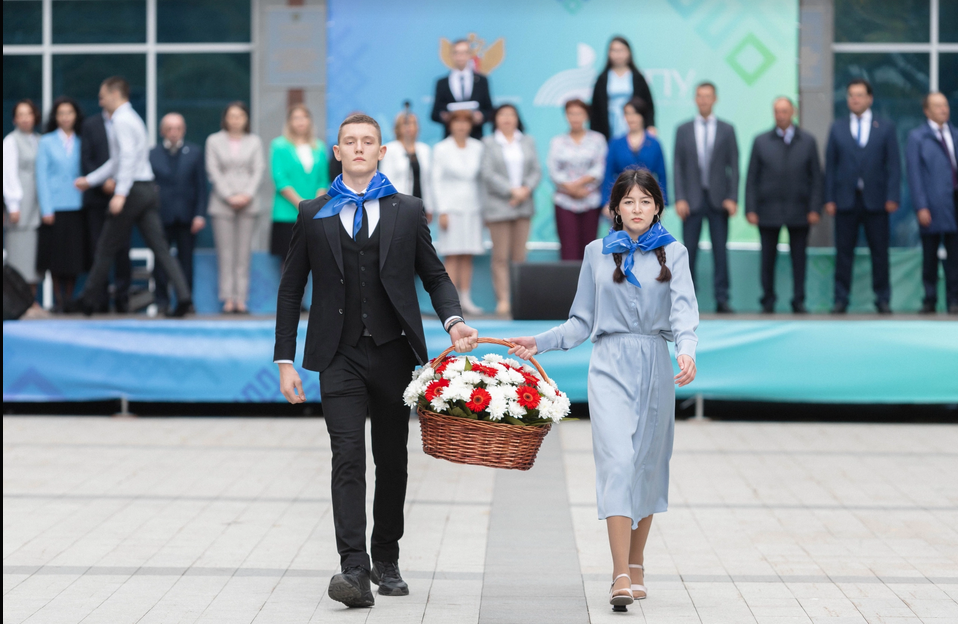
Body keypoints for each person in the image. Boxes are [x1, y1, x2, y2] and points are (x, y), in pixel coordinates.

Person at [274, 113, 479, 608]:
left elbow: (435, 275)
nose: (359, 147)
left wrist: (453, 321)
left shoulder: (407, 210)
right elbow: (291, 288)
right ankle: (353, 567)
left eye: (368, 141)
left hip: (393, 352)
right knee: (346, 456)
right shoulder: (312, 212)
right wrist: (285, 359)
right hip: (337, 354)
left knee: (392, 460)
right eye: (350, 141)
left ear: (382, 151)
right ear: (337, 152)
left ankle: (386, 556)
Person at [507, 168, 698, 612]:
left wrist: (686, 350)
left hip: (655, 362)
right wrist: (540, 342)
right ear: (615, 208)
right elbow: (581, 321)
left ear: (657, 207)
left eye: (645, 201)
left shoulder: (675, 252)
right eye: (629, 201)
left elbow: (684, 311)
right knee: (618, 461)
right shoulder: (596, 252)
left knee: (647, 464)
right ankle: (619, 574)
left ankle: (637, 562)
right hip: (609, 364)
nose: (637, 209)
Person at [74, 76, 192, 317]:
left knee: (106, 247)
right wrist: (91, 180)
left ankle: (87, 300)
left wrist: (120, 193)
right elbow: (117, 160)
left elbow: (126, 158)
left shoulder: (121, 120)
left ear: (115, 94)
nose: (100, 101)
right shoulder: (131, 118)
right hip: (146, 188)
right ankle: (184, 297)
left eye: (103, 96)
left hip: (133, 190)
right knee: (160, 248)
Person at [825, 78, 901, 314]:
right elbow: (830, 166)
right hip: (845, 200)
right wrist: (829, 198)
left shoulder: (885, 127)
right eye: (851, 95)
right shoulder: (837, 127)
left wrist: (893, 196)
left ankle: (882, 299)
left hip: (877, 200)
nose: (855, 99)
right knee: (843, 253)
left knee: (879, 252)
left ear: (870, 98)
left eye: (859, 95)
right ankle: (841, 299)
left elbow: (894, 165)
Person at [745, 97, 823, 314]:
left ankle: (798, 300)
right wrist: (750, 208)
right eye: (777, 111)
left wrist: (815, 208)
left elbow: (816, 177)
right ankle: (768, 300)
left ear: (793, 112)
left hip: (799, 210)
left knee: (799, 258)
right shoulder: (761, 141)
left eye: (784, 111)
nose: (780, 115)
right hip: (768, 210)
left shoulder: (807, 141)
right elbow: (752, 178)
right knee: (768, 259)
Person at [673, 82, 740, 313]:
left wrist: (732, 197)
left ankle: (722, 298)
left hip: (718, 200)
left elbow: (734, 166)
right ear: (695, 99)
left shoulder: (727, 129)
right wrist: (680, 197)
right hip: (691, 200)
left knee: (720, 251)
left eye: (707, 96)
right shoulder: (683, 129)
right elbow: (678, 166)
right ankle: (686, 300)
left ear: (715, 99)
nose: (703, 100)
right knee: (688, 252)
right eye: (700, 96)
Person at [480, 104, 541, 316]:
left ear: (517, 118)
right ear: (495, 119)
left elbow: (536, 170)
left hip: (524, 205)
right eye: (502, 114)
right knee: (500, 256)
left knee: (519, 256)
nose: (507, 118)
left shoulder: (527, 141)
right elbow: (488, 173)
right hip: (499, 206)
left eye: (511, 114)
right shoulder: (488, 143)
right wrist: (511, 191)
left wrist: (524, 190)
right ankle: (504, 300)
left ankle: (520, 298)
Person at [206, 101, 265, 314]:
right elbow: (213, 170)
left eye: (239, 116)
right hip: (222, 203)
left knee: (243, 254)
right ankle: (227, 299)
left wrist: (246, 195)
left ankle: (241, 299)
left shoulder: (254, 141)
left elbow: (258, 170)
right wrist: (229, 196)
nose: (235, 120)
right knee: (225, 253)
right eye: (231, 116)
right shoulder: (214, 140)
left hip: (248, 203)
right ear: (225, 118)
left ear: (246, 119)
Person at [149, 113, 207, 314]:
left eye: (178, 128)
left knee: (186, 261)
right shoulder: (152, 154)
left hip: (187, 216)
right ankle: (161, 301)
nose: (173, 132)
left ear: (184, 130)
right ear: (162, 131)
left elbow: (201, 186)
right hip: (160, 216)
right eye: (169, 128)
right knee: (160, 261)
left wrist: (200, 214)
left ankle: (186, 301)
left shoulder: (195, 152)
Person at [906, 92, 958, 314]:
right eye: (937, 106)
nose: (943, 109)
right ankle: (930, 299)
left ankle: (954, 300)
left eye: (945, 105)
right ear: (927, 111)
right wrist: (921, 206)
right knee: (930, 255)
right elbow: (914, 175)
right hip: (932, 204)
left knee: (955, 255)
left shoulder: (955, 134)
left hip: (954, 202)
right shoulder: (917, 137)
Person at [80, 92, 131, 313]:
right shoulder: (90, 125)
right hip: (97, 198)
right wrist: (100, 182)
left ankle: (122, 298)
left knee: (122, 249)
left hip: (122, 195)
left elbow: (129, 158)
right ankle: (98, 300)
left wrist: (119, 185)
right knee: (98, 249)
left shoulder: (127, 121)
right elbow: (86, 158)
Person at [431, 110, 485, 314]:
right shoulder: (441, 148)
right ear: (450, 125)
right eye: (457, 122)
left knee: (467, 254)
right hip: (451, 208)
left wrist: (484, 210)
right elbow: (436, 181)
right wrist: (442, 210)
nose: (461, 126)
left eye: (465, 122)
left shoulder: (478, 147)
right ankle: (450, 302)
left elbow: (481, 180)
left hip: (473, 207)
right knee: (452, 255)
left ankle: (466, 299)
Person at [35, 97, 85, 311]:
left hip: (77, 205)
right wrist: (46, 208)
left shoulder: (83, 141)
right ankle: (58, 300)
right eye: (61, 113)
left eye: (69, 113)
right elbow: (41, 176)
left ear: (76, 116)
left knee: (73, 256)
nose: (65, 117)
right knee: (55, 256)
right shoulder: (46, 142)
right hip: (55, 206)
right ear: (55, 117)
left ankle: (69, 299)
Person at [548, 99, 607, 261]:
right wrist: (571, 189)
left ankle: (589, 279)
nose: (575, 117)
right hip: (564, 201)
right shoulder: (557, 141)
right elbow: (554, 170)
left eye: (579, 113)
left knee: (590, 250)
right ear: (566, 116)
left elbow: (600, 167)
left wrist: (580, 185)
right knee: (568, 250)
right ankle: (569, 279)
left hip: (590, 199)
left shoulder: (598, 139)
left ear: (586, 115)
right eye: (571, 113)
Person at [270, 104, 329, 263]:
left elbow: (323, 179)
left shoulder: (319, 147)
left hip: (314, 214)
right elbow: (280, 180)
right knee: (288, 262)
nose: (300, 121)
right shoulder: (279, 145)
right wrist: (301, 204)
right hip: (287, 213)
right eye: (296, 118)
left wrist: (314, 204)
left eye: (304, 117)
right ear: (289, 121)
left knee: (314, 260)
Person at [3, 99, 42, 300]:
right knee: (19, 253)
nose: (25, 119)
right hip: (21, 205)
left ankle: (32, 300)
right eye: (20, 115)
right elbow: (7, 174)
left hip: (37, 204)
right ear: (14, 119)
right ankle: (21, 302)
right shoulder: (11, 141)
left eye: (28, 114)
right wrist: (13, 205)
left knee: (34, 256)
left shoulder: (39, 139)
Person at [602, 98, 667, 209]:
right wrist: (606, 202)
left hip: (648, 198)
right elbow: (608, 174)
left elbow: (662, 175)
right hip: (622, 198)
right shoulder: (616, 143)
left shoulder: (654, 143)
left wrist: (662, 202)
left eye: (635, 113)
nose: (631, 118)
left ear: (642, 115)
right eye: (627, 113)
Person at [590, 36, 656, 140]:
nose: (618, 54)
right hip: (609, 125)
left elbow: (648, 104)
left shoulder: (638, 78)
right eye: (614, 50)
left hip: (633, 124)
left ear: (629, 52)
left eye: (621, 50)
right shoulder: (602, 79)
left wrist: (650, 125)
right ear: (609, 53)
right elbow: (595, 109)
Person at [430, 38, 494, 140]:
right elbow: (434, 113)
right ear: (452, 55)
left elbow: (489, 110)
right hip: (451, 139)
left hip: (475, 137)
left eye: (464, 52)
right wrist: (445, 116)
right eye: (457, 52)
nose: (460, 56)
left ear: (470, 55)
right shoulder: (442, 83)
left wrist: (480, 116)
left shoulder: (481, 81)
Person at [380, 108, 433, 217]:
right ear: (397, 128)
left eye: (413, 123)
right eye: (406, 123)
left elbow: (428, 181)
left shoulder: (425, 149)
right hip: (398, 206)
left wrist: (429, 206)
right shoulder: (390, 150)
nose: (409, 127)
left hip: (421, 205)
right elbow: (386, 182)